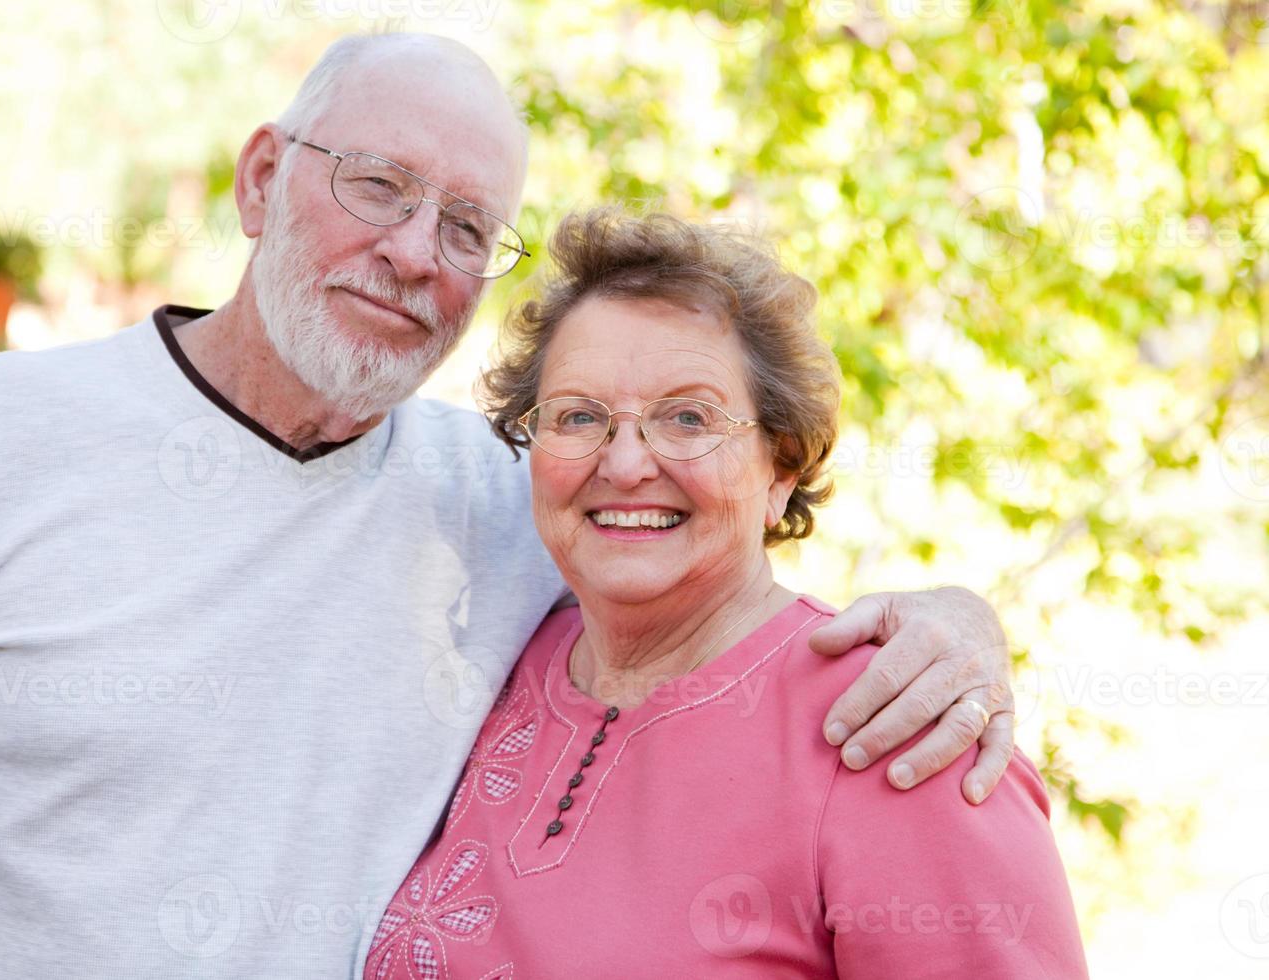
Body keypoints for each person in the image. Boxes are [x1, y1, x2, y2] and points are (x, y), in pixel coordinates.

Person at [0, 34, 1017, 979]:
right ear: (265, 177)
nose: (414, 251)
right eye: (379, 185)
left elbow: (721, 576)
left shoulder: (511, 500)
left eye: (468, 226)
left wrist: (958, 617)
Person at [365, 209, 1086, 978]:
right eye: (579, 416)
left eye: (688, 418)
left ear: (779, 468)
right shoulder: (503, 648)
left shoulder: (901, 722)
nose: (627, 462)